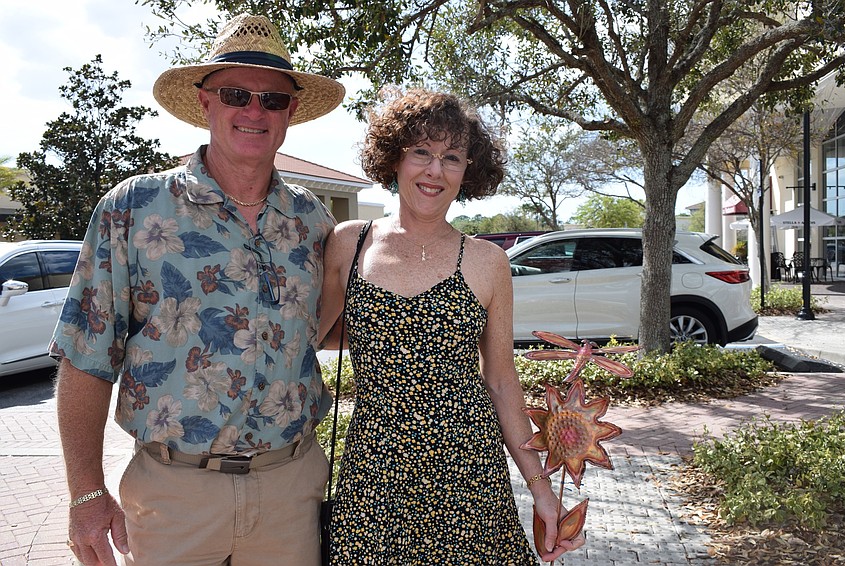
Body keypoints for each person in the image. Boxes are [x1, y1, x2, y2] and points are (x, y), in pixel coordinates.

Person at [50, 13, 343, 566]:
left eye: (272, 99)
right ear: (206, 102)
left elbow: (326, 332)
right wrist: (86, 495)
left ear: (291, 113)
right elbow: (86, 355)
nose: (254, 110)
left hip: (291, 490)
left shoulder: (314, 221)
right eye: (236, 93)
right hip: (172, 497)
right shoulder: (133, 208)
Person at [318, 88, 586, 564]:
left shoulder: (488, 262)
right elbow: (308, 341)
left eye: (452, 157)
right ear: (394, 158)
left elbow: (502, 382)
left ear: (469, 171)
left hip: (468, 476)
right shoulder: (347, 244)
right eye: (421, 151)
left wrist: (542, 492)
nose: (435, 170)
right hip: (374, 475)